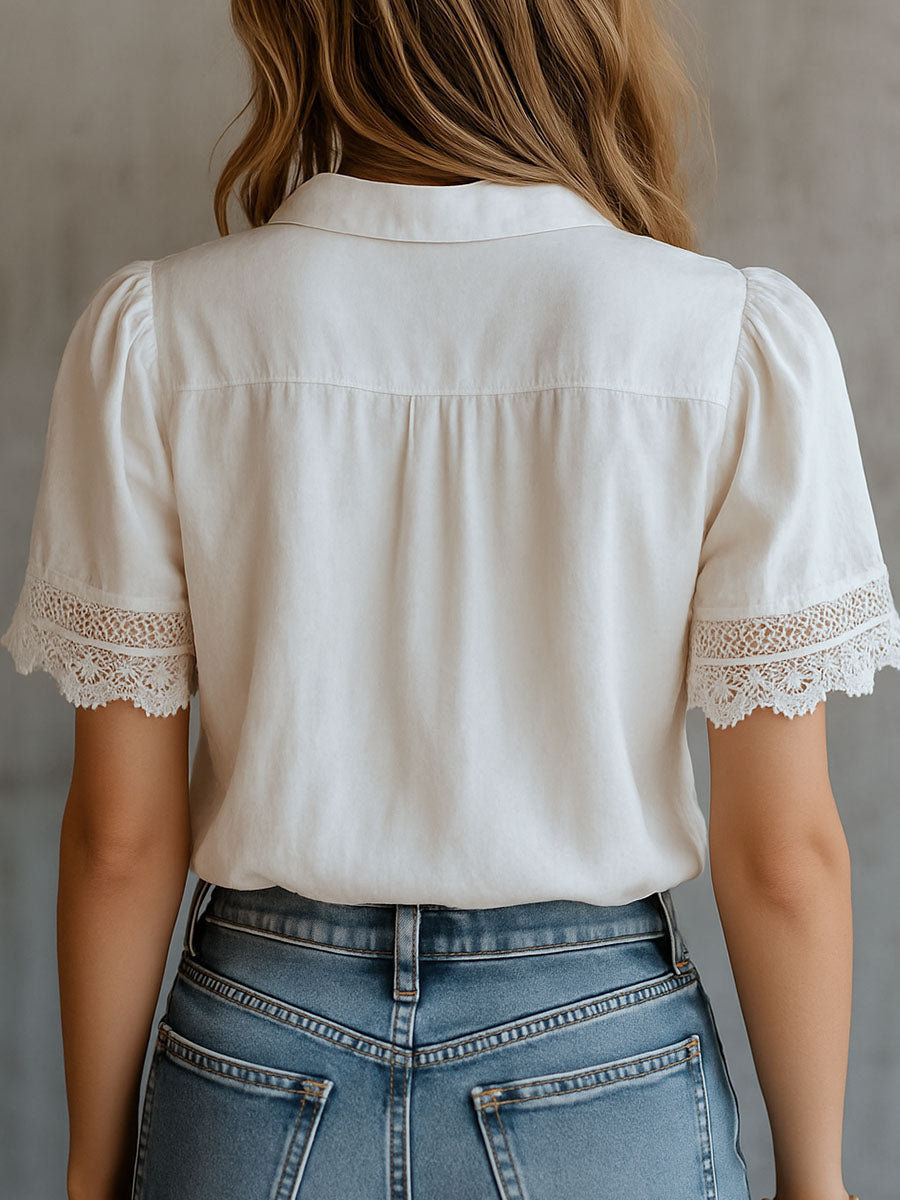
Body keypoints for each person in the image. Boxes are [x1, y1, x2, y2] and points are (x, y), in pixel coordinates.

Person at [1, 0, 895, 1197]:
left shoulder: (161, 336)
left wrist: (91, 1169)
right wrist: (819, 1180)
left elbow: (120, 836)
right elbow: (782, 849)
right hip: (601, 1059)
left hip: (256, 1048)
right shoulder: (727, 345)